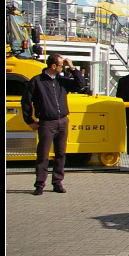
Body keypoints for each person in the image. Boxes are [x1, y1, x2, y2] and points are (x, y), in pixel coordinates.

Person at [21, 53, 86, 195]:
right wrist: (30, 121)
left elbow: (80, 84)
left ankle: (57, 182)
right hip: (46, 122)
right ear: (53, 66)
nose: (63, 68)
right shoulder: (37, 81)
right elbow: (26, 101)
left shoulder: (62, 81)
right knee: (43, 154)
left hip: (62, 121)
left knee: (61, 153)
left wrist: (72, 68)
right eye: (61, 65)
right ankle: (40, 184)